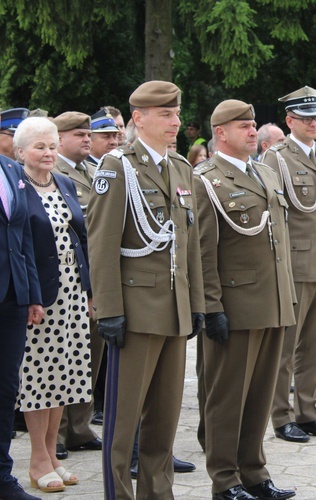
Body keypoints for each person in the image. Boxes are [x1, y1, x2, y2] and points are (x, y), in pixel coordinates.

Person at [87, 80, 205, 499]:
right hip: (135, 309)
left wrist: (196, 303)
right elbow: (101, 243)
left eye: (176, 114)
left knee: (164, 418)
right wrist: (109, 309)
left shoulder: (179, 168)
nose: (176, 122)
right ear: (139, 118)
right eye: (166, 115)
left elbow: (187, 242)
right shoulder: (117, 166)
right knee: (123, 422)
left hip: (173, 310)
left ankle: (159, 493)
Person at [194, 99, 296, 500]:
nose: (253, 131)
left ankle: (254, 472)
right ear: (221, 133)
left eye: (254, 125)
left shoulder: (266, 173)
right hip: (235, 306)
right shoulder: (206, 179)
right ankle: (225, 479)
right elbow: (203, 251)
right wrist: (212, 307)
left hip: (271, 302)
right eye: (243, 126)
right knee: (227, 398)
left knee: (259, 396)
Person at [261, 86, 316, 442]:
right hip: (294, 266)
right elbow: (274, 217)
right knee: (285, 348)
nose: (313, 122)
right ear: (289, 120)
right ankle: (281, 416)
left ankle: (308, 411)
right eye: (305, 117)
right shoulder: (276, 158)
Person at [14, 117, 91, 493]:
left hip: (72, 291)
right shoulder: (16, 188)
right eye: (39, 147)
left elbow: (81, 239)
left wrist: (90, 290)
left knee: (65, 373)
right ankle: (37, 458)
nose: (47, 152)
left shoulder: (64, 182)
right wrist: (30, 295)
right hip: (38, 296)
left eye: (51, 145)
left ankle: (52, 453)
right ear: (20, 152)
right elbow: (20, 248)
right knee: (38, 377)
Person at [50, 112, 103, 462]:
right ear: (61, 138)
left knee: (90, 352)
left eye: (88, 134)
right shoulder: (53, 171)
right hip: (63, 276)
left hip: (94, 273)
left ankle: (80, 427)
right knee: (60, 354)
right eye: (79, 134)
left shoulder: (91, 170)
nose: (87, 139)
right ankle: (54, 434)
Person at [0, 129, 45, 500]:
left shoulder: (11, 170)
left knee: (5, 389)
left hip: (12, 298)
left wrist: (32, 294)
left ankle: (1, 476)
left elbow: (23, 235)